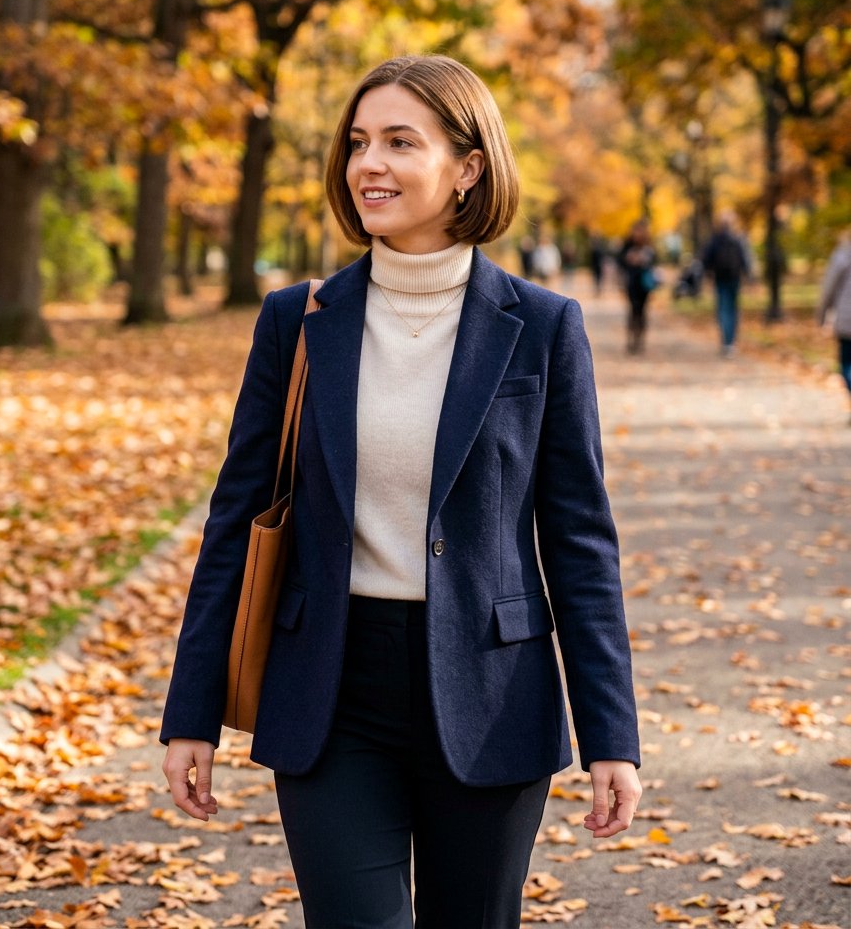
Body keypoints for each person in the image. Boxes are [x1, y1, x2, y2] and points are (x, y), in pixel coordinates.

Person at [161, 55, 641, 929]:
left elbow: (579, 540)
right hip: (330, 689)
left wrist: (612, 734)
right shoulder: (296, 323)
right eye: (357, 143)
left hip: (493, 695)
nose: (367, 164)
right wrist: (190, 710)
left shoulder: (541, 327)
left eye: (398, 142)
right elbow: (236, 519)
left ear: (468, 167)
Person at [702, 211, 754, 357]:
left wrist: (708, 273)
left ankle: (725, 341)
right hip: (734, 278)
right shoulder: (738, 239)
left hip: (720, 278)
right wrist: (749, 276)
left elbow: (706, 259)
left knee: (723, 309)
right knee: (733, 309)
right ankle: (730, 342)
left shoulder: (715, 239)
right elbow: (745, 259)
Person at [816, 230, 851, 424]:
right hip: (846, 320)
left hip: (847, 319)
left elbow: (828, 288)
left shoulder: (843, 255)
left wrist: (821, 315)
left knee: (846, 364)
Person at [616, 219, 658, 354]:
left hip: (644, 283)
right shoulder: (627, 245)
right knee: (633, 310)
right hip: (632, 282)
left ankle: (640, 339)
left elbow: (654, 261)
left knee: (642, 311)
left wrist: (643, 260)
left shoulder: (649, 245)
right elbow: (620, 260)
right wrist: (629, 259)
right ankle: (632, 339)